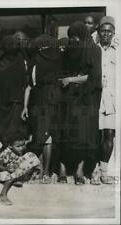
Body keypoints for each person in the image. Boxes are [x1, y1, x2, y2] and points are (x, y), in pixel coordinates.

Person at [58, 22, 102, 184]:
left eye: (75, 36)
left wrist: (71, 79)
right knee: (67, 133)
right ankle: (62, 168)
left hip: (86, 99)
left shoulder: (94, 50)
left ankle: (79, 170)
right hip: (69, 98)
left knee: (83, 134)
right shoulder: (72, 50)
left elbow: (94, 77)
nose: (73, 40)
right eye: (71, 37)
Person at [21, 34, 63, 183]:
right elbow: (29, 86)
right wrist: (25, 106)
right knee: (46, 136)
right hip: (51, 101)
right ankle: (44, 171)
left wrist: (26, 106)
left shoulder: (35, 61)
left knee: (44, 135)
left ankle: (44, 171)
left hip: (41, 101)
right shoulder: (59, 59)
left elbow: (29, 86)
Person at [91, 16, 116, 185]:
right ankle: (93, 170)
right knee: (94, 136)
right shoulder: (93, 50)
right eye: (103, 31)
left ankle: (104, 170)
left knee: (109, 134)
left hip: (112, 100)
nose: (106, 34)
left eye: (109, 31)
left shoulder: (117, 51)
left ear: (113, 33)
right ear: (98, 32)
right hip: (95, 98)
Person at [0, 35, 27, 146]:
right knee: (13, 133)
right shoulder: (19, 59)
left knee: (1, 133)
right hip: (15, 103)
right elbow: (24, 82)